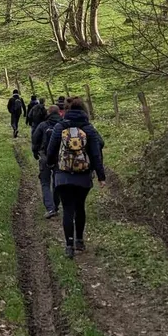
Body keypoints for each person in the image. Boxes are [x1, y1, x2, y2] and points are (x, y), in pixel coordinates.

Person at [46, 98, 106, 259]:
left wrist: (52, 166)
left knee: (67, 209)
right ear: (84, 111)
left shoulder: (60, 127)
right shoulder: (89, 129)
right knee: (80, 207)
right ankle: (79, 240)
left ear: (66, 110)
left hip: (63, 176)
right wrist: (100, 176)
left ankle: (68, 245)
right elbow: (96, 153)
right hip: (83, 177)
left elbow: (50, 150)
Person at [32, 104, 62, 219]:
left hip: (44, 156)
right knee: (57, 181)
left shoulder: (43, 125)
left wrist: (35, 152)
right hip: (59, 157)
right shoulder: (63, 125)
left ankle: (50, 208)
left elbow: (35, 139)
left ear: (48, 113)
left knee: (45, 182)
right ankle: (56, 205)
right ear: (59, 113)